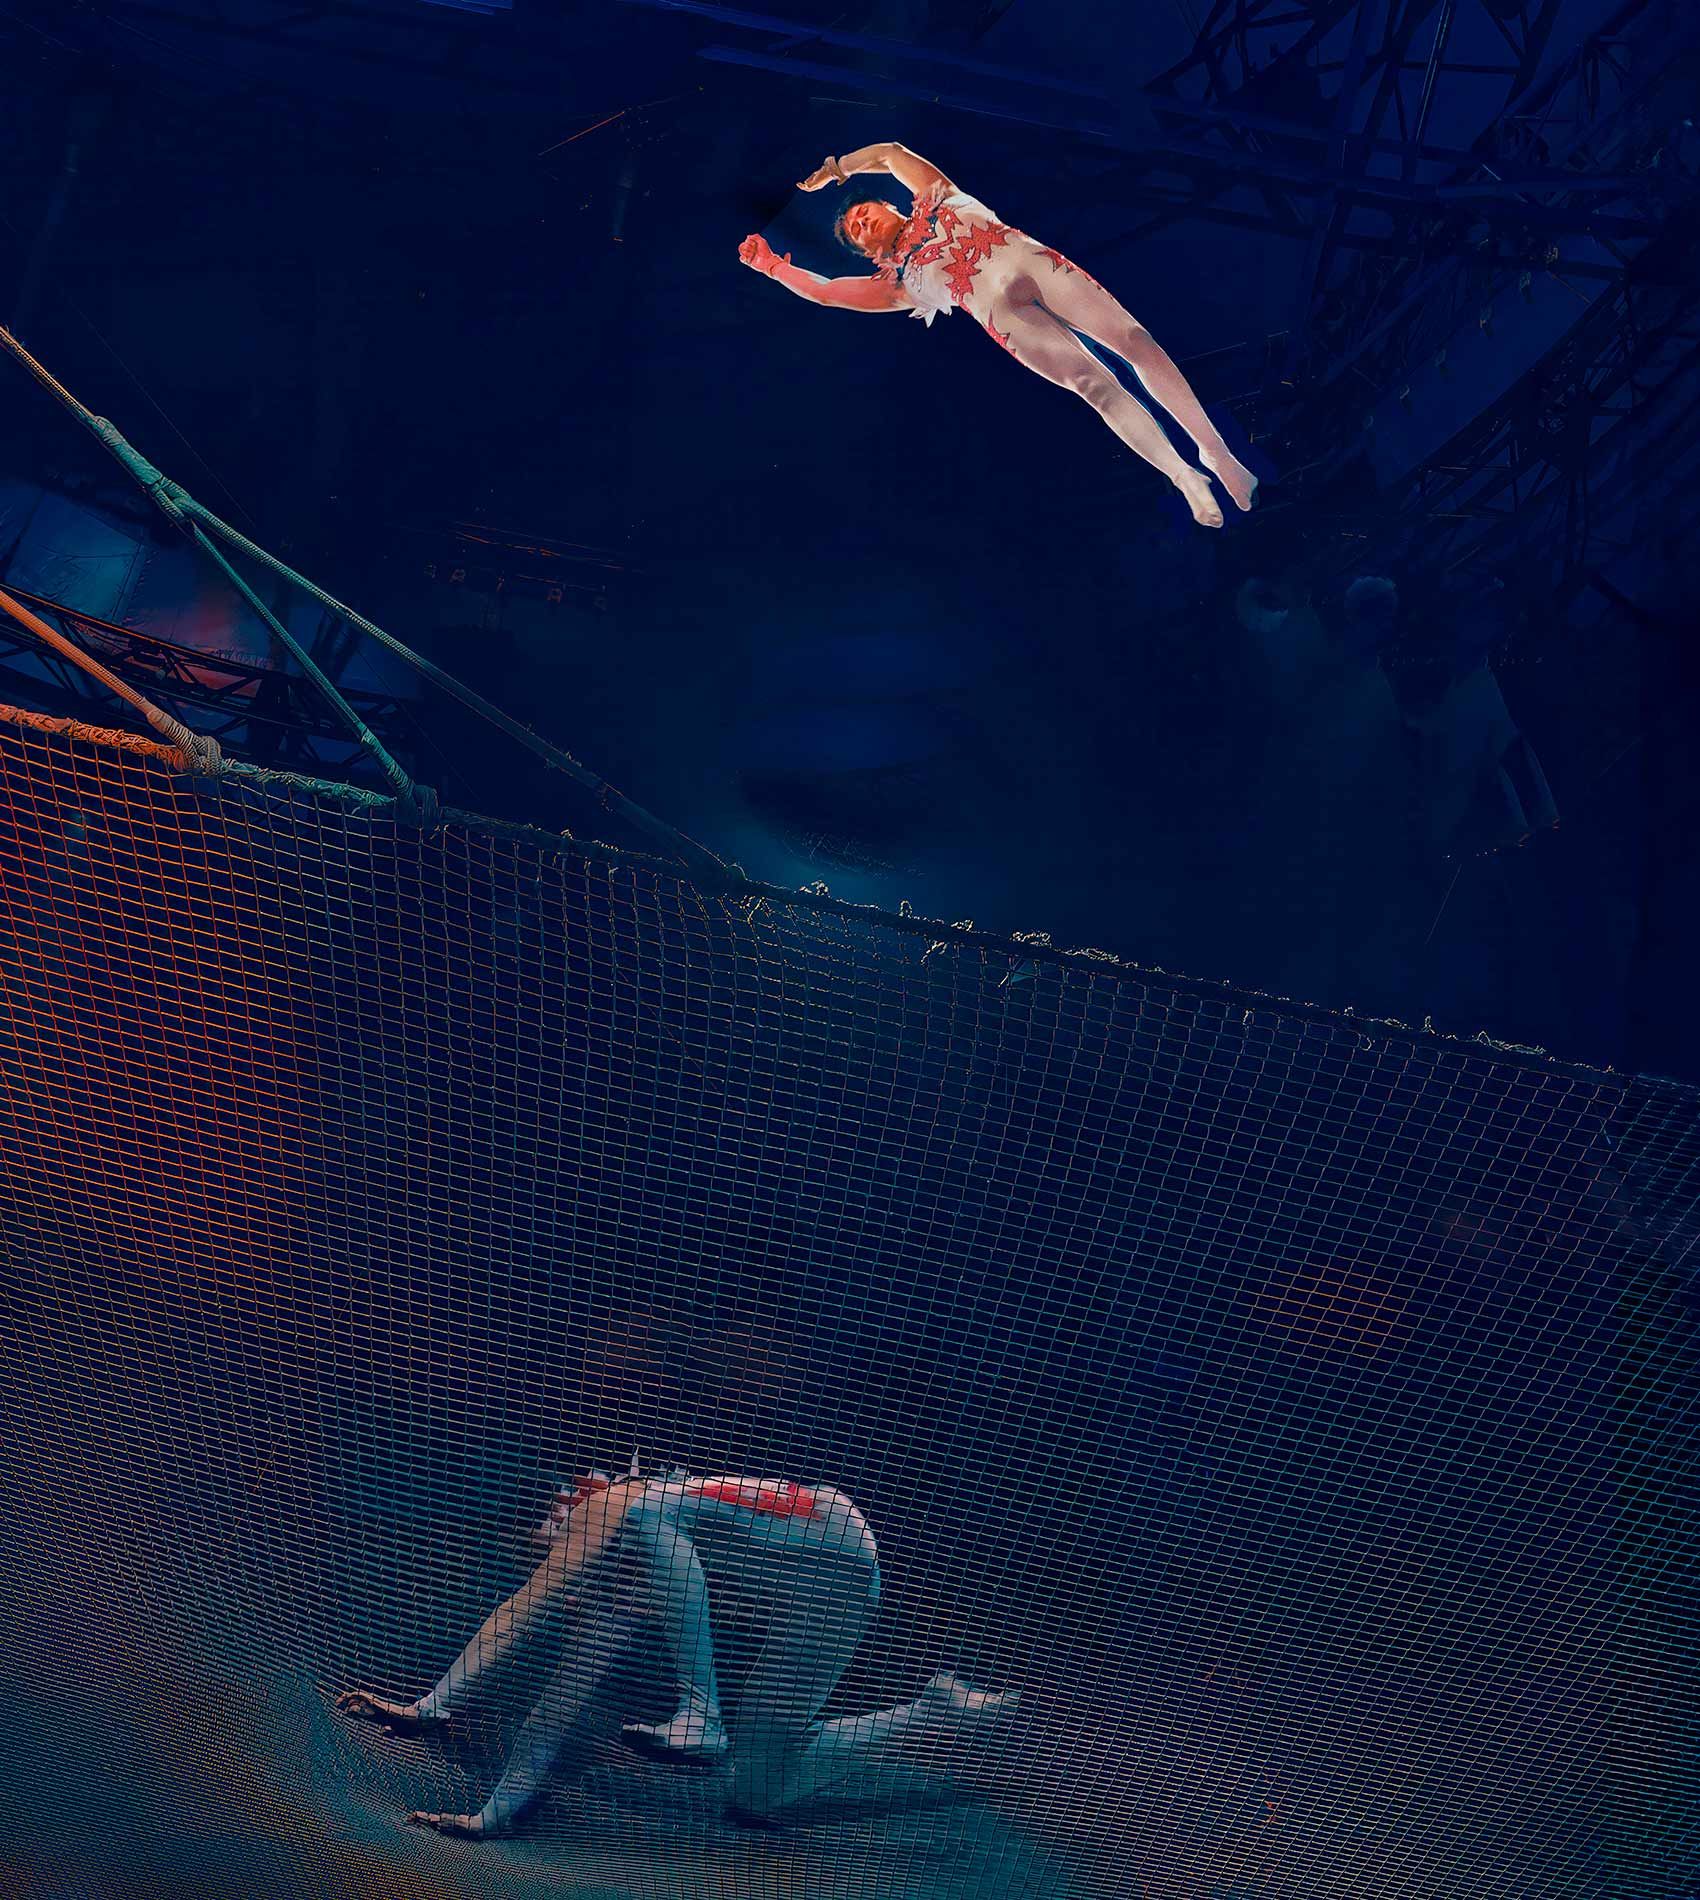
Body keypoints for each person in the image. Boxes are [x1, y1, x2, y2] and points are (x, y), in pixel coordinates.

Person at [338, 1466, 1017, 1834]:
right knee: (756, 1791)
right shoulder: (646, 1566)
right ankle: (933, 1710)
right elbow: (561, 1696)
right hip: (831, 1599)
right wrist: (493, 1814)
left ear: (573, 1498)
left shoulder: (622, 1505)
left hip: (831, 1537)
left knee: (640, 1514)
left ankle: (702, 1713)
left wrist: (429, 1707)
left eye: (549, 1528)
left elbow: (521, 1611)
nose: (550, 1547)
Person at [736, 140, 1258, 529]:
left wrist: (838, 169)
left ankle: (1214, 451)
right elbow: (828, 292)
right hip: (1002, 315)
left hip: (1031, 264)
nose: (861, 221)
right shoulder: (899, 284)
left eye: (864, 211)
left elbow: (892, 153)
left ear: (892, 206)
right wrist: (775, 269)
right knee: (1094, 386)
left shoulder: (939, 195)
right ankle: (1183, 475)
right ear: (867, 251)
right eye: (855, 230)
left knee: (1135, 342)